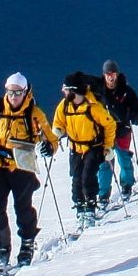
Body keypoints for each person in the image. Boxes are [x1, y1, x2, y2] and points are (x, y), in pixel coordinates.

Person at [0, 72, 60, 268]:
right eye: (10, 92)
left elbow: (51, 138)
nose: (13, 96)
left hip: (22, 165)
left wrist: (50, 147)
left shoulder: (34, 113)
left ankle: (27, 242)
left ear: (25, 92)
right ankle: (2, 247)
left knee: (22, 207)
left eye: (17, 92)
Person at [52, 71, 116, 226]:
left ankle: (90, 208)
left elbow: (109, 124)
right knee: (76, 177)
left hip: (93, 147)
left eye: (66, 89)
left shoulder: (93, 106)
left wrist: (108, 147)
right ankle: (80, 207)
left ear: (74, 91)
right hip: (75, 147)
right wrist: (56, 134)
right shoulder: (64, 105)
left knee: (88, 176)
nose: (64, 91)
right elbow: (58, 123)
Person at [97, 59, 138, 204]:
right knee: (105, 162)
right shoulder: (99, 92)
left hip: (122, 129)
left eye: (113, 73)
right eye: (108, 73)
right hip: (105, 132)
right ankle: (103, 194)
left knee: (124, 157)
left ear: (117, 74)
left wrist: (131, 119)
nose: (110, 76)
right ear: (104, 75)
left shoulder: (126, 90)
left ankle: (127, 185)